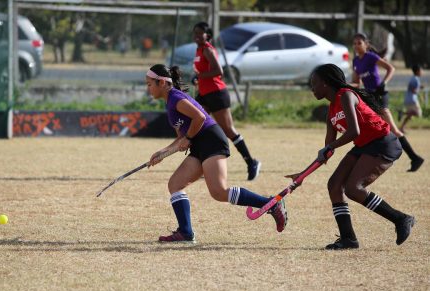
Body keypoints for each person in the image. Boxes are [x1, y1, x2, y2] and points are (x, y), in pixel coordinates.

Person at [145, 64, 287, 243]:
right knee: (175, 184)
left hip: (211, 139)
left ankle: (271, 203)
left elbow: (200, 117)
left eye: (150, 84)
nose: (147, 88)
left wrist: (188, 138)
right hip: (199, 143)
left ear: (163, 83)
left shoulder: (176, 98)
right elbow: (182, 137)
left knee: (219, 191)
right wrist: (163, 153)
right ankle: (186, 233)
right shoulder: (170, 103)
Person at [287, 64, 414, 250]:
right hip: (363, 145)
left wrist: (330, 146)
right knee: (334, 185)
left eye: (314, 83)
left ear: (326, 83)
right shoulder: (331, 112)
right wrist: (302, 175)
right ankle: (348, 239)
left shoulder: (346, 95)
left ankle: (401, 219)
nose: (312, 88)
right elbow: (327, 151)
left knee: (353, 189)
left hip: (382, 143)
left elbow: (353, 131)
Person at [192, 21, 261, 180]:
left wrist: (199, 76)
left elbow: (218, 71)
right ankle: (203, 165)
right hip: (204, 94)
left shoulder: (208, 49)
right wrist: (198, 79)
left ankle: (251, 162)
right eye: (194, 32)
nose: (196, 35)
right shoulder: (199, 49)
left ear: (207, 35)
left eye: (199, 33)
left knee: (229, 130)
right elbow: (203, 71)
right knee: (198, 126)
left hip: (216, 93)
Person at [351, 33, 424, 172]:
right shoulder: (356, 61)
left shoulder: (371, 57)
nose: (356, 46)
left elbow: (391, 68)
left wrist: (383, 83)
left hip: (379, 95)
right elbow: (356, 83)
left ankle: (415, 158)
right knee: (377, 128)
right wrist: (343, 85)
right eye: (354, 43)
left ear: (366, 44)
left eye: (359, 43)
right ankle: (375, 155)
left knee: (393, 129)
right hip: (369, 97)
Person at [400, 65, 423, 133]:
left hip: (408, 99)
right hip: (412, 99)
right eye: (421, 70)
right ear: (417, 71)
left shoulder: (413, 78)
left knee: (409, 115)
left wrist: (420, 87)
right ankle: (403, 113)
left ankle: (402, 128)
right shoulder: (416, 79)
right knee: (418, 113)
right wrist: (421, 96)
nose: (422, 72)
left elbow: (412, 87)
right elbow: (413, 90)